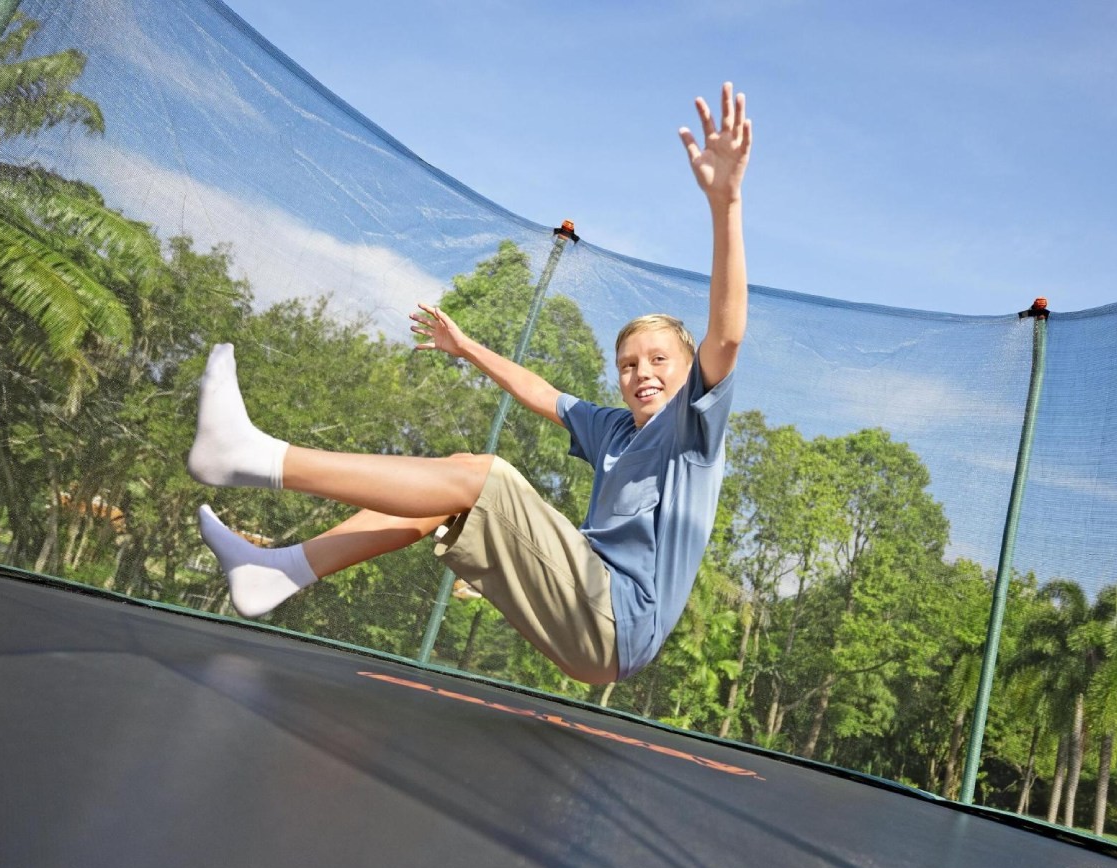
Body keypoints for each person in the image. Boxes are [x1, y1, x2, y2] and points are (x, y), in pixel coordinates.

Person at [187, 82, 752, 685]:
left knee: (485, 475)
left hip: (618, 621)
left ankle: (256, 458)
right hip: (587, 604)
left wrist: (726, 205)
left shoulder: (691, 430)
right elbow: (539, 392)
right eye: (629, 364)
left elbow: (727, 334)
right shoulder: (613, 429)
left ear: (689, 372)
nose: (642, 373)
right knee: (449, 486)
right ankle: (280, 573)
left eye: (659, 361)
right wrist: (465, 348)